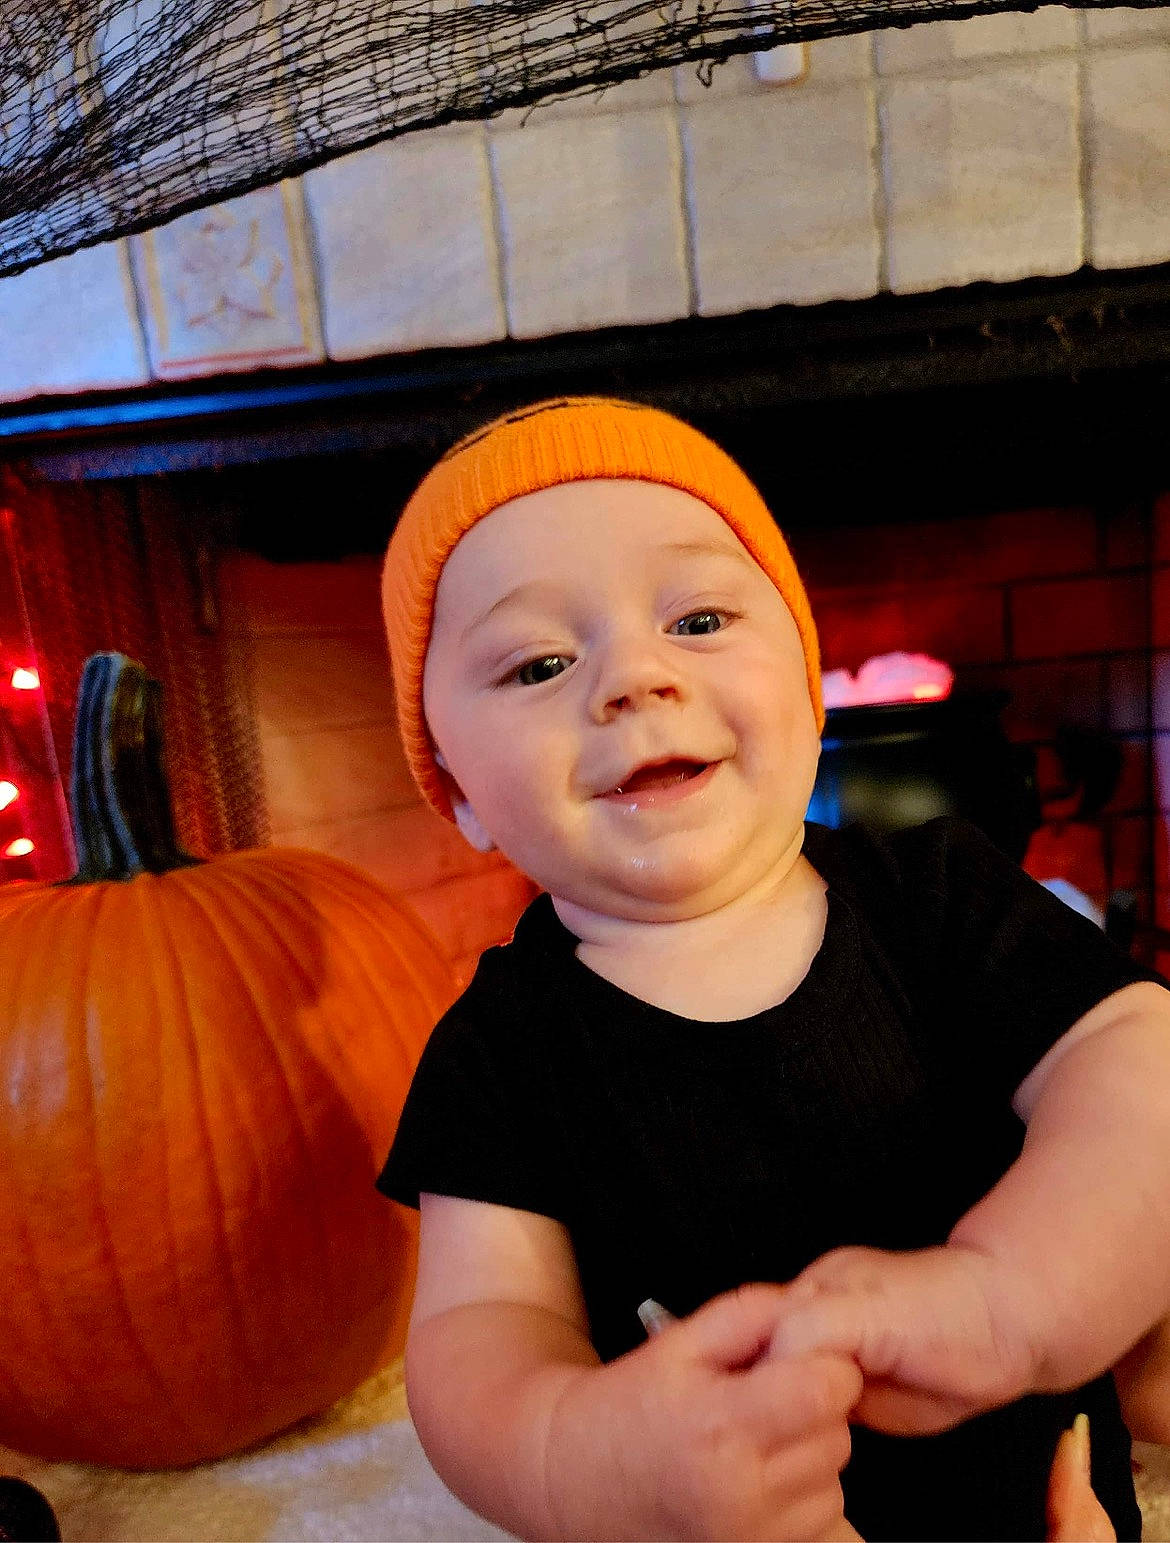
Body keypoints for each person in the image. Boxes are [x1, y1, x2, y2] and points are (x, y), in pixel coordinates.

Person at [375, 395, 1170, 1541]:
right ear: (456, 793)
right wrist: (582, 1458)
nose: (632, 678)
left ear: (806, 687)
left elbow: (1133, 1070)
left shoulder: (941, 894)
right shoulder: (502, 1045)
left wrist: (1017, 1300)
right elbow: (479, 1332)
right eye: (541, 660)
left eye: (697, 620)